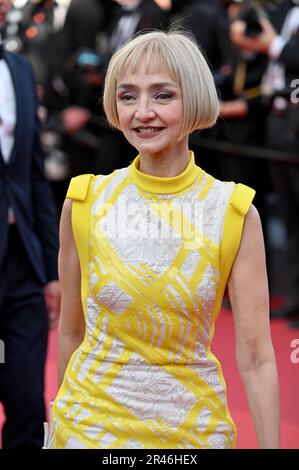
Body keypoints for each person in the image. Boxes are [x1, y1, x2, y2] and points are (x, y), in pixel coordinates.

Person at [49, 30, 280, 449]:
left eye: (163, 95)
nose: (142, 113)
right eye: (128, 96)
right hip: (89, 430)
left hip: (191, 435)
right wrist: (57, 427)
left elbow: (257, 356)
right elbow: (70, 331)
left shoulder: (233, 212)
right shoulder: (84, 201)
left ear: (193, 99)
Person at [0, 0, 60, 448]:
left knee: (26, 401)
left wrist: (53, 270)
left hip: (23, 264)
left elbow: (34, 175)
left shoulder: (20, 69)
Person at [229, 0, 299, 326]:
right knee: (289, 217)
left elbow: (290, 54)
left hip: (293, 126)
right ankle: (295, 297)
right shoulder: (282, 10)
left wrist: (274, 44)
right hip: (278, 124)